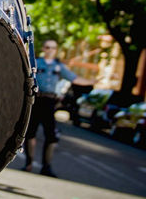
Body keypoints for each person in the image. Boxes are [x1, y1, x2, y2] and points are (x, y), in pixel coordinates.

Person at [23, 39, 94, 177]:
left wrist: (91, 81)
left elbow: (74, 79)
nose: (50, 50)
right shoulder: (36, 63)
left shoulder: (59, 66)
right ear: (43, 48)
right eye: (48, 47)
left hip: (50, 102)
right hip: (36, 99)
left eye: (53, 48)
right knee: (30, 132)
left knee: (51, 135)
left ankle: (46, 166)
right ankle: (29, 163)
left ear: (56, 50)